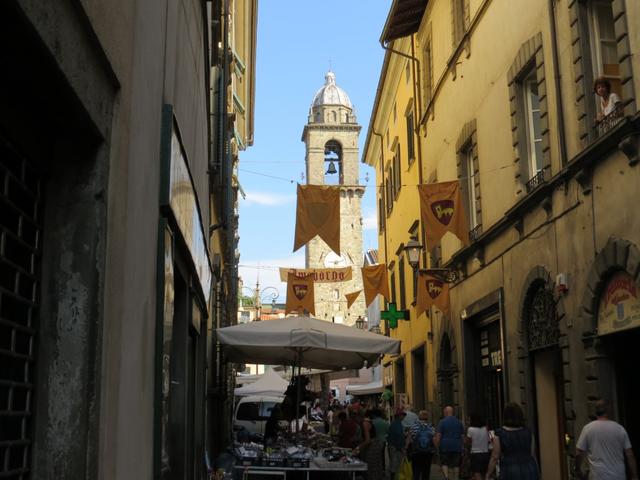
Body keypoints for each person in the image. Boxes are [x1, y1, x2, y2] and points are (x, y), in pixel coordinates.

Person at [575, 399, 639, 480]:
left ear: (595, 411)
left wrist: (578, 470)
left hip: (598, 476)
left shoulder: (588, 429)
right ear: (608, 410)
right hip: (618, 476)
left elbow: (579, 454)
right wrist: (635, 476)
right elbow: (630, 455)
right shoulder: (619, 429)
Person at [485, 402, 538, 480]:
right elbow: (532, 454)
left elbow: (495, 457)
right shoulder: (528, 432)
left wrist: (488, 474)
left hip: (510, 469)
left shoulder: (500, 433)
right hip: (529, 467)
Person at [435, 406, 465, 480]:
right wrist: (463, 445)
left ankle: (446, 477)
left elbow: (438, 435)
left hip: (445, 445)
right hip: (457, 445)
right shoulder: (459, 422)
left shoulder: (442, 422)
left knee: (444, 462)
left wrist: (436, 445)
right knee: (456, 464)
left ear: (445, 412)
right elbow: (462, 436)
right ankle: (456, 478)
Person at [354, 410, 384, 480]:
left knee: (371, 469)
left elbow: (368, 440)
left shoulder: (365, 423)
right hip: (374, 445)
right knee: (374, 468)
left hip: (372, 447)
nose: (355, 420)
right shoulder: (366, 422)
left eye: (355, 418)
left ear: (359, 417)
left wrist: (358, 448)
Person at [408, 410, 436, 480]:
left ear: (419, 417)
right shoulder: (431, 427)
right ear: (427, 417)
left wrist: (407, 448)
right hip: (428, 453)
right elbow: (434, 440)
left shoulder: (413, 427)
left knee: (416, 471)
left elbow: (410, 439)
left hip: (416, 452)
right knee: (426, 471)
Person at [466, 413, 490, 480]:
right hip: (485, 453)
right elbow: (488, 439)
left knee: (477, 472)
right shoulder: (486, 428)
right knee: (485, 472)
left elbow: (468, 442)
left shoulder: (470, 429)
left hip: (475, 453)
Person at [388, 409, 408, 479]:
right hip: (396, 447)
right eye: (403, 415)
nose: (404, 417)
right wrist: (401, 448)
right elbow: (398, 436)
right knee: (396, 464)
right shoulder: (397, 424)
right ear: (399, 416)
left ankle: (394, 477)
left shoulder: (395, 423)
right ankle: (394, 477)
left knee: (394, 463)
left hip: (394, 446)